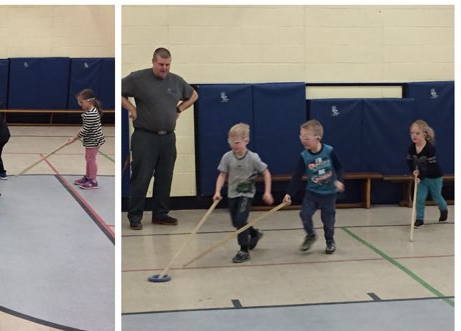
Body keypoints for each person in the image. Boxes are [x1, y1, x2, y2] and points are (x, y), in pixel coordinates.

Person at [121, 47, 199, 230]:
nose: (164, 68)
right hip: (144, 137)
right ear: (153, 62)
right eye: (161, 64)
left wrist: (179, 109)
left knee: (165, 177)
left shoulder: (176, 81)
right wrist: (131, 109)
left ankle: (161, 214)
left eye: (167, 65)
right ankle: (135, 216)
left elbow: (194, 95)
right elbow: (119, 90)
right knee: (141, 177)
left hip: (168, 138)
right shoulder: (138, 78)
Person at [213, 123, 273, 263]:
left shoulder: (253, 158)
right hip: (232, 193)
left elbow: (266, 173)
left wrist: (267, 192)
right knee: (236, 222)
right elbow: (222, 175)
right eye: (230, 142)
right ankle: (254, 233)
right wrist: (217, 191)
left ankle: (243, 250)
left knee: (240, 221)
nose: (233, 145)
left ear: (246, 140)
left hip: (246, 194)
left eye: (237, 142)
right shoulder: (227, 157)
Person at [283, 120, 344, 255]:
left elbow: (339, 167)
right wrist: (289, 194)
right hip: (312, 193)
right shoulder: (304, 156)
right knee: (304, 214)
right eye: (301, 137)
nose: (302, 140)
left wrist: (340, 180)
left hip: (329, 193)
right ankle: (310, 235)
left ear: (317, 138)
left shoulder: (329, 151)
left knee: (328, 220)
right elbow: (297, 176)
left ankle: (330, 241)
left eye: (306, 138)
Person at [407, 119, 448, 227]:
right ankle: (419, 219)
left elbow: (432, 166)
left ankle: (443, 209)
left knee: (436, 197)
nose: (414, 136)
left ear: (424, 134)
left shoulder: (430, 148)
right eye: (412, 133)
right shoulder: (412, 147)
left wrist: (420, 175)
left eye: (417, 133)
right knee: (419, 198)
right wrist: (414, 171)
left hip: (434, 177)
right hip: (422, 178)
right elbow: (409, 161)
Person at [68, 89, 107, 189]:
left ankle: (93, 181)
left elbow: (84, 130)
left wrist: (73, 139)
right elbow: (85, 127)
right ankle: (88, 177)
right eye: (79, 102)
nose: (79, 104)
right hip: (90, 139)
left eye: (81, 102)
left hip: (94, 140)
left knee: (91, 159)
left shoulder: (91, 114)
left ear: (89, 101)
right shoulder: (90, 111)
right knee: (88, 159)